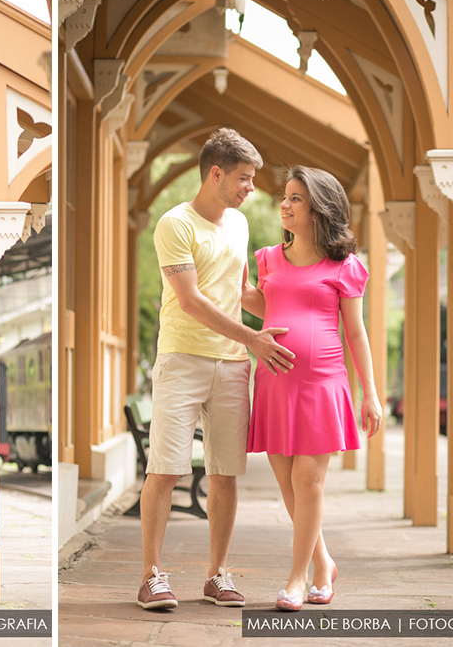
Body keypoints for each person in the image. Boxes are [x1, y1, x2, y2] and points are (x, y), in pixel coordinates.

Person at [138, 128, 295, 610]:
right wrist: (253, 339)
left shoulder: (239, 226)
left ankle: (217, 575)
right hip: (182, 359)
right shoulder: (175, 224)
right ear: (216, 173)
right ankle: (151, 576)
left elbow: (242, 293)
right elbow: (190, 300)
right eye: (244, 179)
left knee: (225, 473)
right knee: (166, 469)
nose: (251, 188)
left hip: (232, 366)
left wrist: (297, 309)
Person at [247, 165, 383, 611]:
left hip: (323, 383)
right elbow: (261, 304)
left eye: (296, 198)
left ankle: (298, 577)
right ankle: (324, 562)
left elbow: (356, 334)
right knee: (288, 483)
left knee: (309, 479)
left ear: (319, 208)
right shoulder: (267, 258)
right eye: (285, 196)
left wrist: (371, 393)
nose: (284, 204)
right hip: (275, 382)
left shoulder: (345, 266)